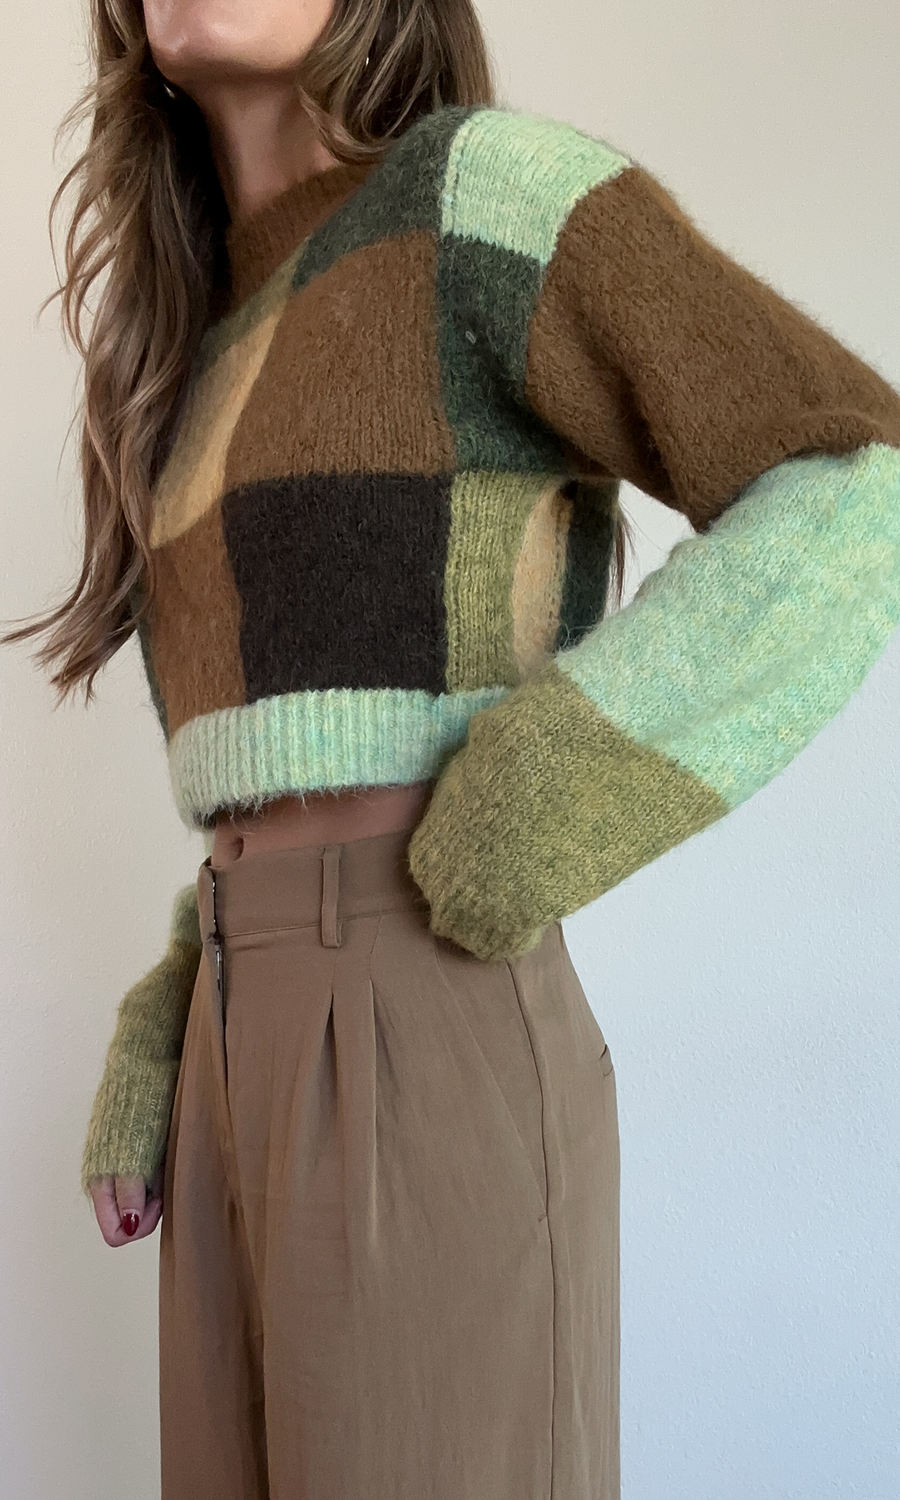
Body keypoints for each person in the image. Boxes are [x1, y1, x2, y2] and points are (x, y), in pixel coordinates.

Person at [4, 0, 900, 1495]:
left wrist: (561, 779)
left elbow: (851, 471)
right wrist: (179, 997)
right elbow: (288, 750)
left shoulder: (479, 195)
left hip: (424, 1001)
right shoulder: (200, 335)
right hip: (234, 1042)